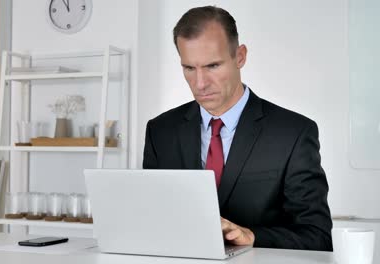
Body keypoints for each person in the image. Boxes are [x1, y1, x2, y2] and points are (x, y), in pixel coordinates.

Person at [142, 6, 332, 251]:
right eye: (189, 68)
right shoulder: (160, 131)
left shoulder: (294, 133)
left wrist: (253, 237)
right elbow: (152, 220)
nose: (200, 83)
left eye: (212, 66)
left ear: (240, 56)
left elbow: (317, 237)